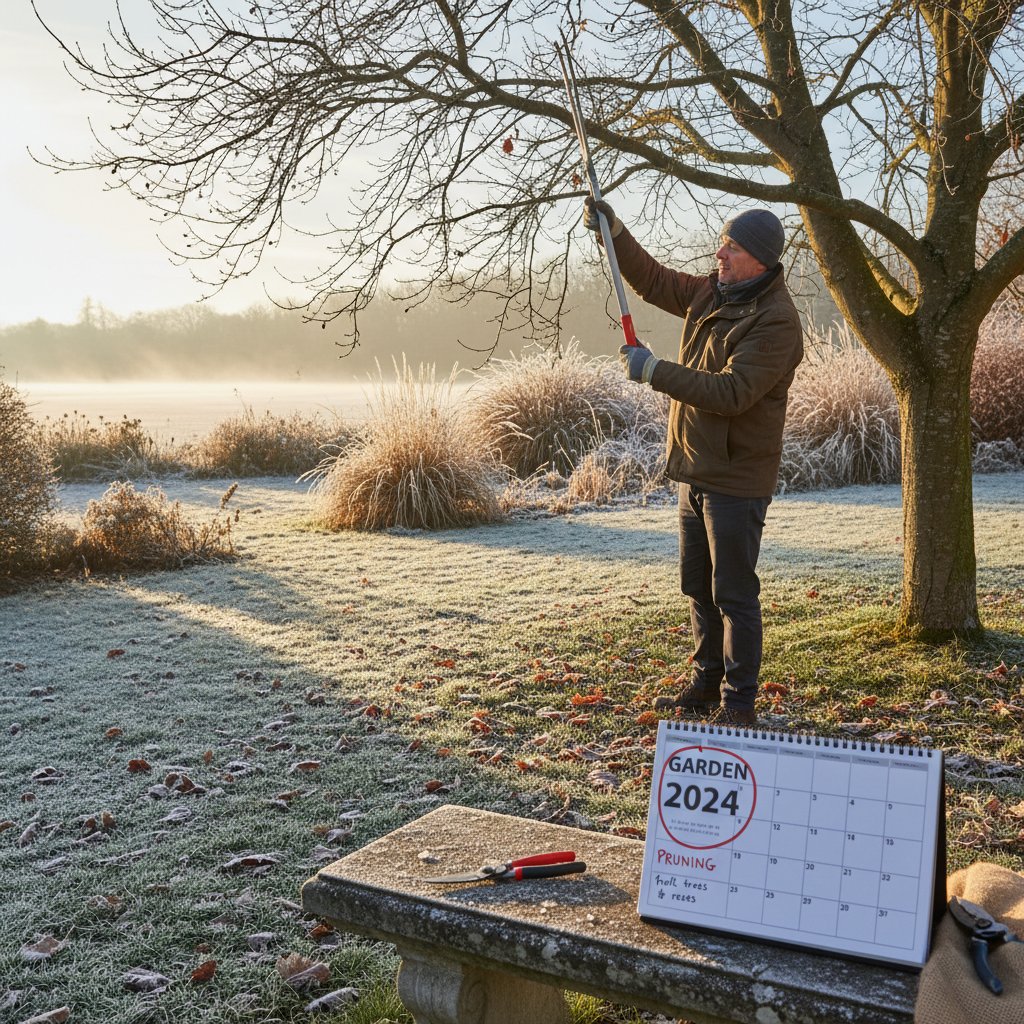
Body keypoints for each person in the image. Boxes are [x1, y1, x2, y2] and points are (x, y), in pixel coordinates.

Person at [583, 197, 803, 726]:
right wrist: (614, 232)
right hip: (693, 469)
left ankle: (738, 704)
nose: (720, 252)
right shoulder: (712, 290)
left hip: (737, 479)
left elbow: (732, 393)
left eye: (733, 246)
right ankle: (704, 685)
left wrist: (654, 370)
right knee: (697, 587)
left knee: (733, 593)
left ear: (762, 259)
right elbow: (654, 281)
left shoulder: (776, 322)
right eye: (723, 242)